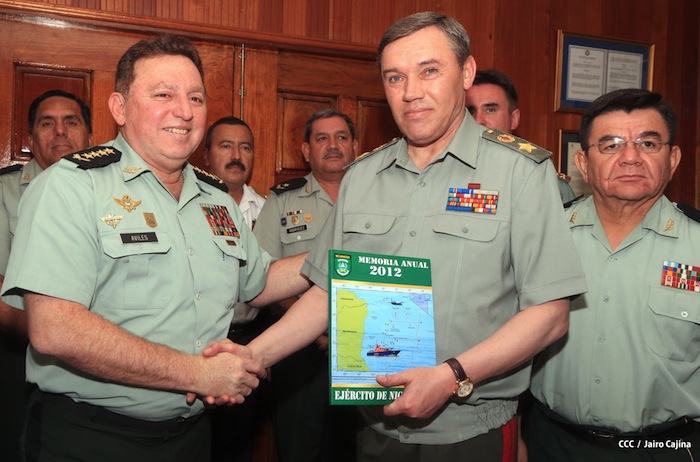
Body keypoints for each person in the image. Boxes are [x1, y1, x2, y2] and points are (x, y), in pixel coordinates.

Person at [206, 12, 587, 461]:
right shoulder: (362, 176)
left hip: (471, 431)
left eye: (429, 71)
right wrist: (252, 356)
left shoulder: (519, 172)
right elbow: (328, 291)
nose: (410, 92)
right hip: (377, 426)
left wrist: (450, 376)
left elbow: (550, 315)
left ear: (466, 73)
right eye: (395, 77)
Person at [0, 34, 308, 462]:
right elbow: (55, 329)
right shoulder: (71, 187)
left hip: (192, 436)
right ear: (120, 108)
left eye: (196, 98)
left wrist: (333, 258)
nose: (185, 111)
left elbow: (257, 282)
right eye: (164, 94)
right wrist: (197, 373)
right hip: (90, 438)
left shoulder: (217, 199)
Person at [525, 88, 700, 461]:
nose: (631, 157)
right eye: (611, 145)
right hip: (551, 443)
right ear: (584, 163)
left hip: (666, 448)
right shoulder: (543, 235)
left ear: (673, 159)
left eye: (648, 144)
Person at [253, 108, 358, 462]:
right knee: (301, 449)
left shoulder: (377, 198)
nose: (333, 145)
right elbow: (263, 276)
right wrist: (315, 330)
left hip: (364, 351)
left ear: (355, 146)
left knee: (357, 448)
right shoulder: (283, 200)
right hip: (300, 355)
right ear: (305, 150)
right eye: (322, 138)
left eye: (341, 137)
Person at [0, 89, 92, 462]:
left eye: (71, 122)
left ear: (89, 135)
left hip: (100, 363)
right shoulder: (4, 190)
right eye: (46, 123)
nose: (60, 132)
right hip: (18, 351)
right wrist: (65, 336)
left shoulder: (113, 194)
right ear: (30, 138)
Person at [202, 116, 268, 462]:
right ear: (206, 155)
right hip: (200, 341)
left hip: (249, 337)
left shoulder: (268, 209)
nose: (236, 156)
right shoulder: (190, 207)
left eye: (245, 147)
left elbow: (266, 278)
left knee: (238, 441)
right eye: (226, 146)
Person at [465, 69, 578, 205]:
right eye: (470, 111)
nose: (478, 120)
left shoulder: (545, 181)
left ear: (514, 119)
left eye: (490, 110)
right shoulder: (448, 170)